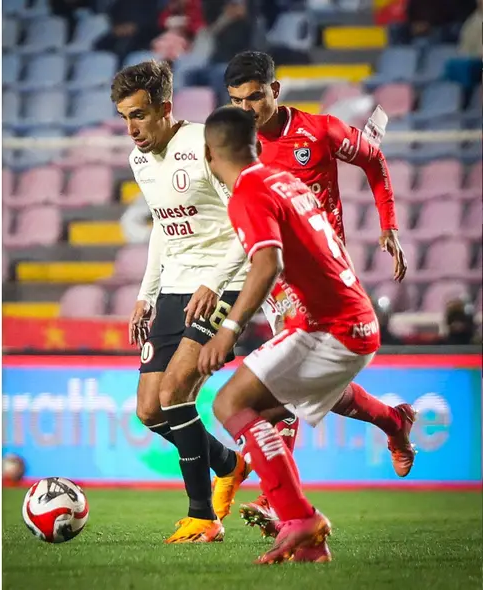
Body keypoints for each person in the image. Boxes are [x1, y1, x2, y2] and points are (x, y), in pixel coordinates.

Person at [198, 106, 415, 563]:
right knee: (269, 405)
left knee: (228, 403)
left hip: (326, 326)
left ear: (208, 153)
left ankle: (297, 515)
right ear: (258, 146)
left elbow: (268, 263)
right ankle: (308, 541)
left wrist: (229, 330)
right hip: (351, 319)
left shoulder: (248, 193)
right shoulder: (288, 182)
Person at [111, 60, 251, 544]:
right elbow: (162, 231)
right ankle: (230, 465)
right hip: (174, 287)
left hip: (226, 283)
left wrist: (215, 281)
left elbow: (250, 218)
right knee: (149, 410)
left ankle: (202, 516)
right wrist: (145, 296)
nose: (132, 129)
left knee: (175, 394)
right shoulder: (139, 159)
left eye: (140, 115)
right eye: (125, 117)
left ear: (165, 109)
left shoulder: (204, 145)